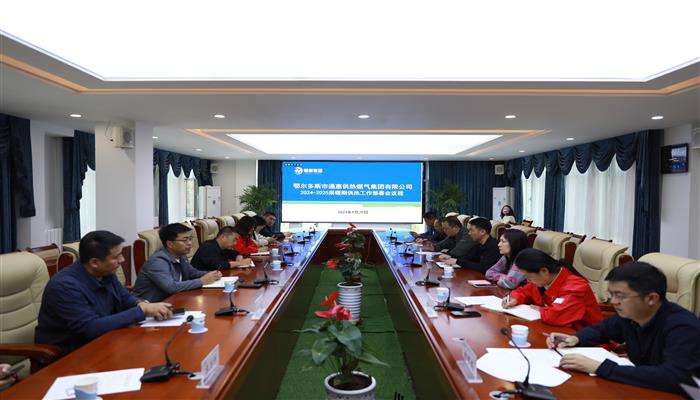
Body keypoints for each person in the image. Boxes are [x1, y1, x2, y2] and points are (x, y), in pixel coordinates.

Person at [547, 262, 700, 396]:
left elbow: (674, 377)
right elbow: (602, 329)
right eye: (611, 295)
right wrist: (576, 338)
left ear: (651, 298)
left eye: (620, 296)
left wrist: (599, 367)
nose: (613, 302)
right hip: (647, 388)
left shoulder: (683, 327)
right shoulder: (631, 315)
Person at [35, 230, 173, 355]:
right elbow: (90, 328)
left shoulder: (105, 273)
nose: (122, 260)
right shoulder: (64, 286)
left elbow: (124, 297)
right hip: (73, 355)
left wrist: (140, 303)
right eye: (116, 257)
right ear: (94, 262)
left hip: (106, 341)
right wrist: (141, 311)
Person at [502, 248, 603, 330]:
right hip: (554, 332)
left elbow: (555, 316)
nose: (528, 281)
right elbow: (522, 292)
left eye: (529, 277)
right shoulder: (541, 280)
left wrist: (541, 309)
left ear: (544, 271)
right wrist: (514, 299)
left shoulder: (576, 287)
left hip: (584, 340)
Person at [133, 223, 222, 302]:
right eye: (185, 240)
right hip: (149, 308)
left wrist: (211, 274)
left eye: (190, 239)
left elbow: (192, 273)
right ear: (170, 244)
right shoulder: (157, 261)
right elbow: (171, 287)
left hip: (173, 301)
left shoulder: (180, 255)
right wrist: (201, 281)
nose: (190, 243)